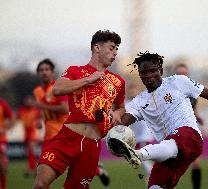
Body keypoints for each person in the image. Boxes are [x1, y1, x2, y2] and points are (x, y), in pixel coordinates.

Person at [108, 51, 208, 189]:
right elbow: (121, 124)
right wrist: (108, 123)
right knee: (155, 186)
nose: (149, 75)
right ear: (140, 74)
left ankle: (137, 154)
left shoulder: (178, 82)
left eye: (153, 70)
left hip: (189, 138)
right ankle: (138, 155)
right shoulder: (139, 101)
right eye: (144, 72)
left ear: (161, 70)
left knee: (173, 140)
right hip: (170, 155)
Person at [32, 30, 125, 189]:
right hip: (67, 138)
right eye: (111, 48)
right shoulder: (75, 71)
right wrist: (89, 79)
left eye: (117, 49)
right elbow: (57, 89)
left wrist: (117, 113)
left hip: (92, 146)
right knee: (40, 184)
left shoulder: (118, 82)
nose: (115, 52)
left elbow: (121, 107)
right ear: (97, 47)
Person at [174, 63, 205, 189]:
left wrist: (198, 117)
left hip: (190, 128)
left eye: (185, 74)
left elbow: (193, 107)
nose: (183, 76)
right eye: (180, 74)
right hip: (174, 129)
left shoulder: (192, 91)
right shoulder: (169, 91)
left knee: (196, 162)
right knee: (170, 162)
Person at [127, 83, 154, 181]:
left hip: (144, 136)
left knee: (142, 157)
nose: (132, 92)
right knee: (141, 158)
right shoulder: (126, 105)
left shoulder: (143, 103)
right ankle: (152, 177)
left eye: (134, 89)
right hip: (136, 137)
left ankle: (152, 176)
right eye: (130, 90)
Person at [16, 95, 41, 177]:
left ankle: (32, 170)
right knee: (30, 153)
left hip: (33, 133)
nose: (28, 102)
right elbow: (16, 117)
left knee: (31, 151)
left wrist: (39, 123)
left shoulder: (36, 110)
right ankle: (35, 169)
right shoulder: (21, 110)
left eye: (30, 100)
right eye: (27, 100)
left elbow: (40, 119)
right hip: (26, 133)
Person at [0, 98, 15, 189]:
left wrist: (5, 129)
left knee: (2, 165)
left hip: (1, 139)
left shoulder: (2, 104)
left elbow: (12, 118)